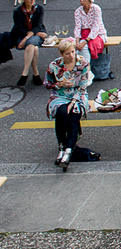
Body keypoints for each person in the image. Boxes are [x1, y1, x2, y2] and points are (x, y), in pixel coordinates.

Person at [44, 38, 93, 170]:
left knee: (73, 115)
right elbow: (47, 84)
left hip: (77, 95)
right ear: (61, 54)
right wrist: (59, 84)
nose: (71, 56)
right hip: (59, 95)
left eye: (73, 52)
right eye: (67, 54)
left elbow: (83, 86)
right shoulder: (54, 65)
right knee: (61, 112)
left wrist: (73, 102)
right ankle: (61, 146)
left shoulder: (83, 63)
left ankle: (68, 151)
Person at [11, 0, 46, 87]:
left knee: (31, 43)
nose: (32, 0)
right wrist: (33, 34)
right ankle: (35, 73)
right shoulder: (17, 12)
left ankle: (25, 73)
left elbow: (38, 25)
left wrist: (30, 35)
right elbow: (19, 28)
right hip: (22, 35)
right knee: (34, 48)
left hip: (34, 34)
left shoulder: (39, 8)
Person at [73, 0, 106, 69]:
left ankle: (86, 69)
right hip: (84, 34)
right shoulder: (78, 11)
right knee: (77, 47)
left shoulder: (96, 9)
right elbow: (77, 27)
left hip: (97, 34)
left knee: (83, 47)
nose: (81, 0)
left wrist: (85, 41)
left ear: (89, 0)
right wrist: (77, 41)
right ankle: (85, 69)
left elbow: (96, 27)